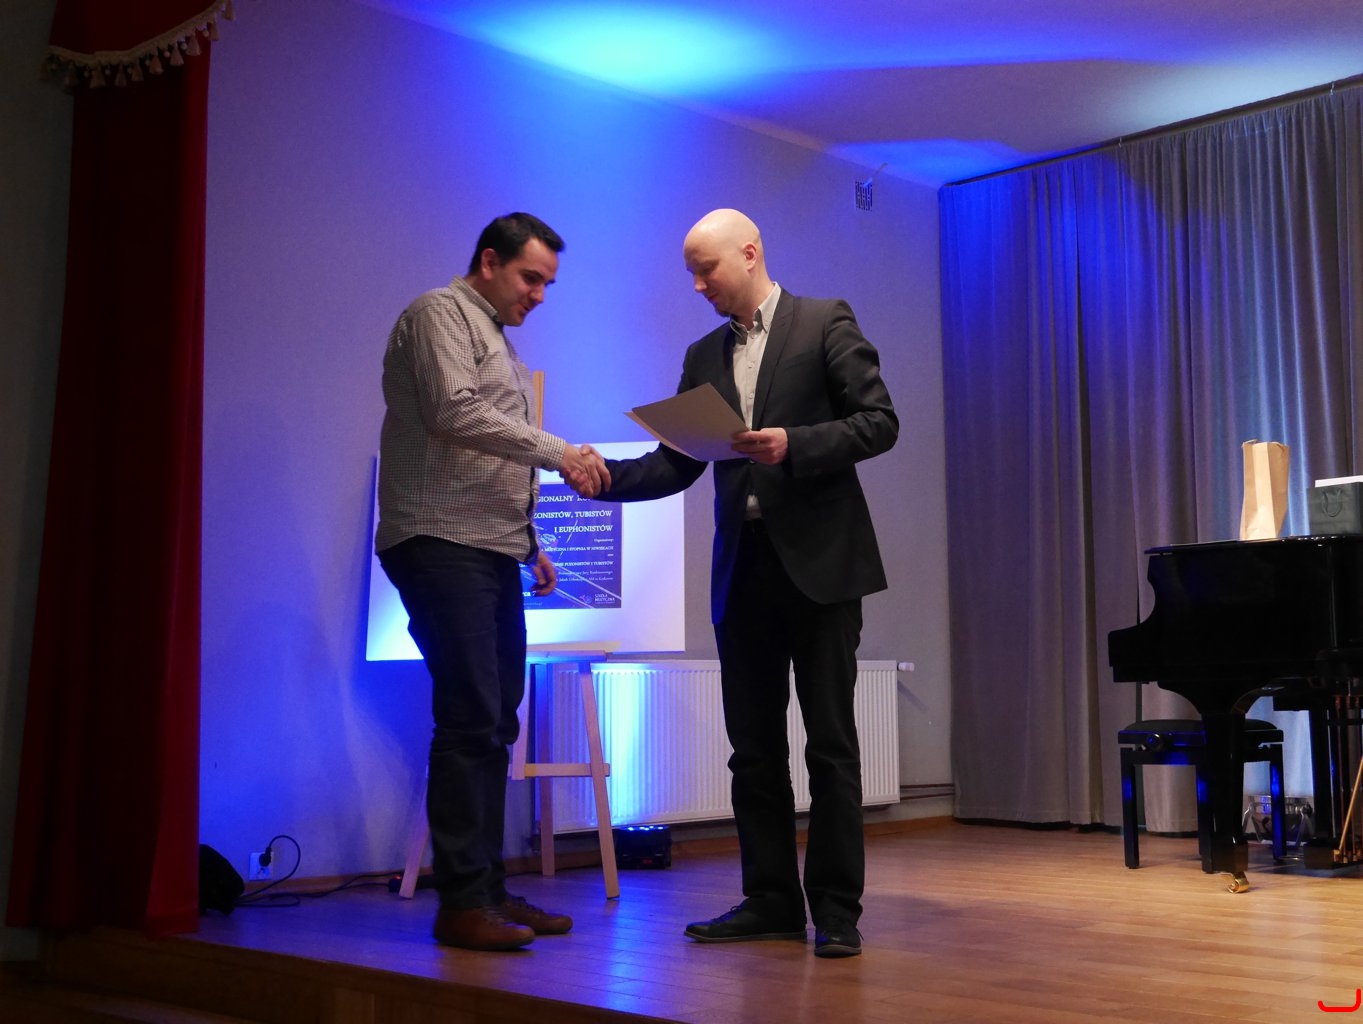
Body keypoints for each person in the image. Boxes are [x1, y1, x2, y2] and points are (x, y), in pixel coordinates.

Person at [596, 208, 898, 958]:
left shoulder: (824, 321)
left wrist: (795, 443)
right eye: (691, 274)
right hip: (744, 571)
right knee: (753, 751)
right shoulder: (702, 355)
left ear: (751, 253)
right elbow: (676, 463)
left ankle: (836, 911)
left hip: (823, 567)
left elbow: (878, 422)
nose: (698, 286)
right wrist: (601, 479)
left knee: (830, 746)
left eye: (707, 270)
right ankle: (769, 901)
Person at [375, 212, 609, 952]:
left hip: (487, 548)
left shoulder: (498, 343)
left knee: (496, 721)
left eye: (547, 283)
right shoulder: (437, 313)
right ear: (488, 261)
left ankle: (489, 892)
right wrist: (559, 451)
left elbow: (488, 452)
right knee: (471, 717)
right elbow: (455, 412)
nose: (539, 294)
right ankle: (462, 904)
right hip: (438, 540)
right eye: (530, 277)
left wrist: (530, 544)